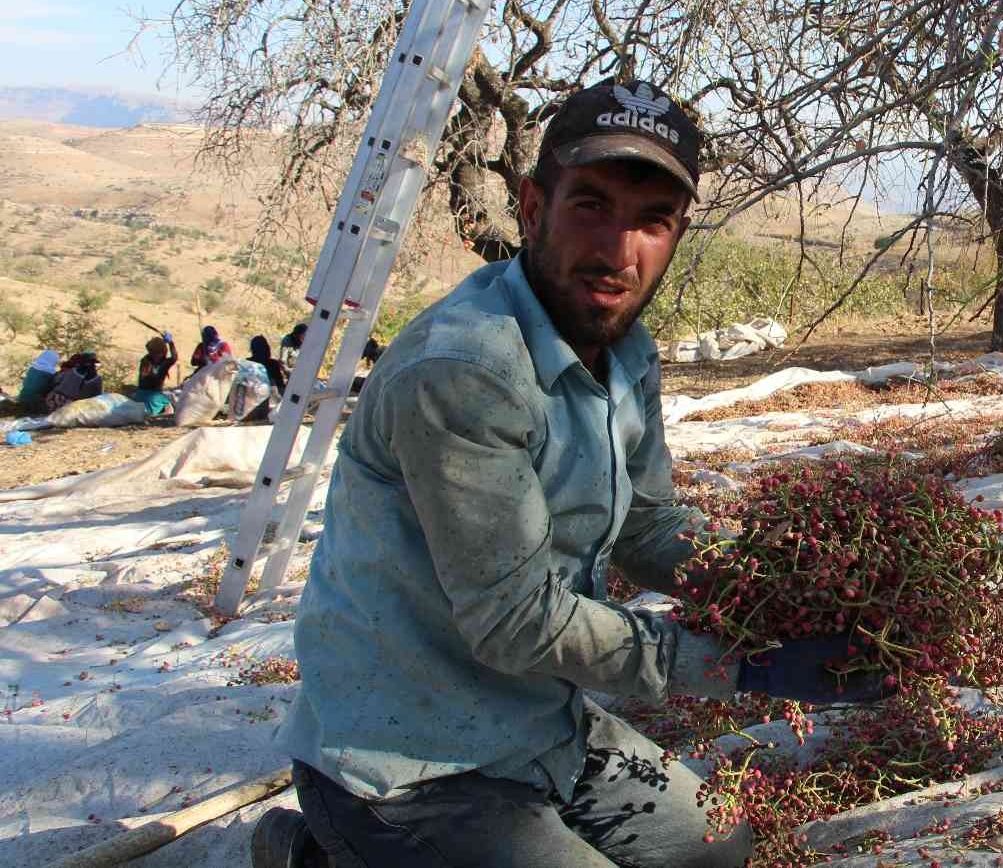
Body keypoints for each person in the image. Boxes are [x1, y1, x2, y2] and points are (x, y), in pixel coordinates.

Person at [259, 80, 887, 868]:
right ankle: (313, 853)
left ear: (677, 234)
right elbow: (516, 619)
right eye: (590, 206)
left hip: (537, 723)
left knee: (720, 850)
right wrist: (749, 664)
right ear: (532, 207)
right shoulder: (467, 372)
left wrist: (780, 589)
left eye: (651, 222)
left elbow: (646, 523)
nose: (619, 251)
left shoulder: (626, 349)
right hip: (406, 759)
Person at [243, 335, 288, 424]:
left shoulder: (247, 362)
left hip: (247, 409)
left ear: (252, 348)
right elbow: (281, 386)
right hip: (268, 408)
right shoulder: (273, 364)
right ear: (267, 348)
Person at [131, 333, 178, 416]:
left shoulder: (159, 361)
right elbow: (145, 377)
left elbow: (174, 358)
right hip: (150, 395)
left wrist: (170, 343)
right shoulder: (149, 361)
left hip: (148, 395)